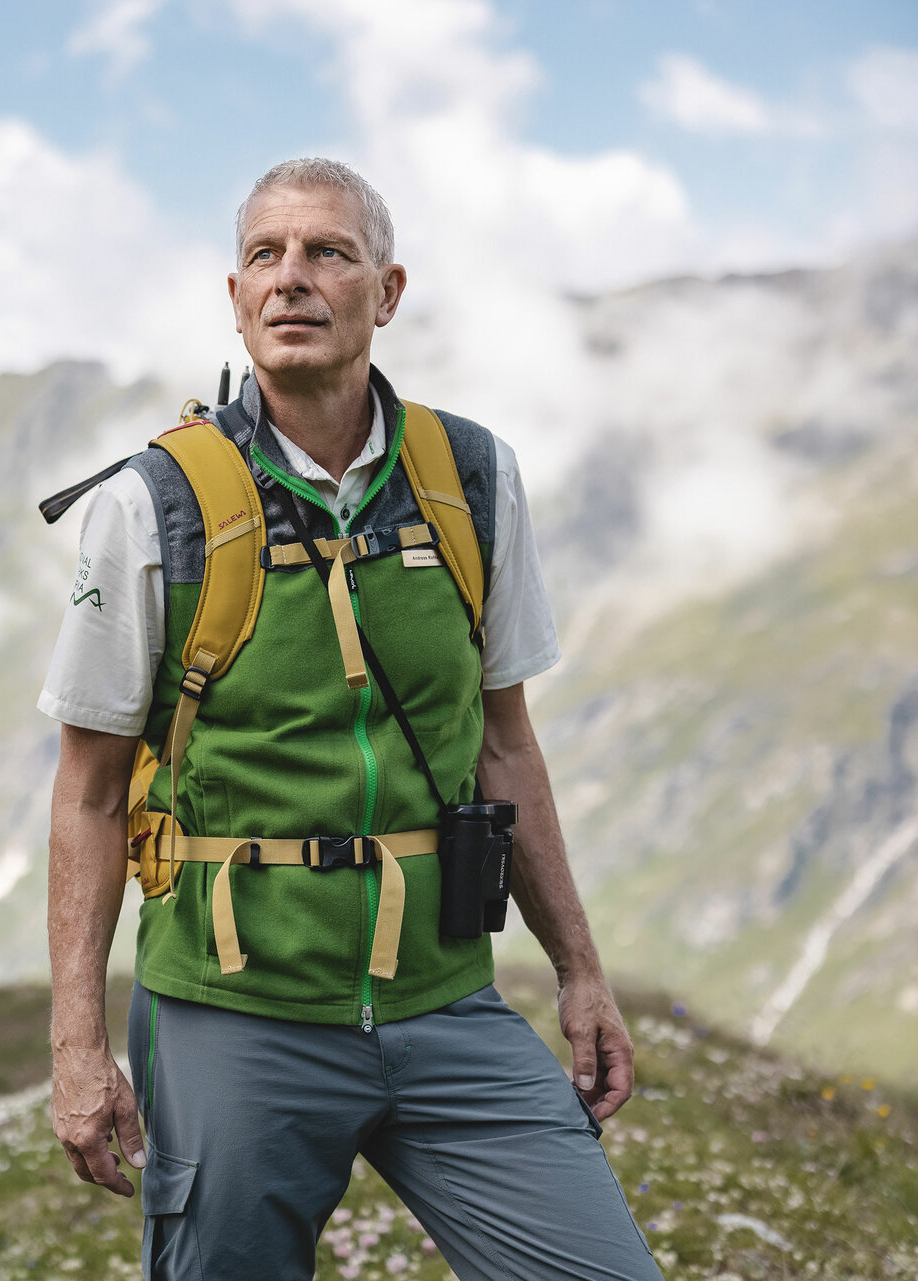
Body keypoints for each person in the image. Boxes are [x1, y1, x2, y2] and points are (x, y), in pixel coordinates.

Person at [37, 158, 661, 1280]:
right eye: (265, 256)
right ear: (236, 297)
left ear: (388, 290)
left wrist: (580, 969)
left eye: (328, 251)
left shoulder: (472, 477)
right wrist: (76, 1043)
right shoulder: (150, 504)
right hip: (233, 1014)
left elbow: (504, 742)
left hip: (444, 1000)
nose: (292, 278)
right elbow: (86, 792)